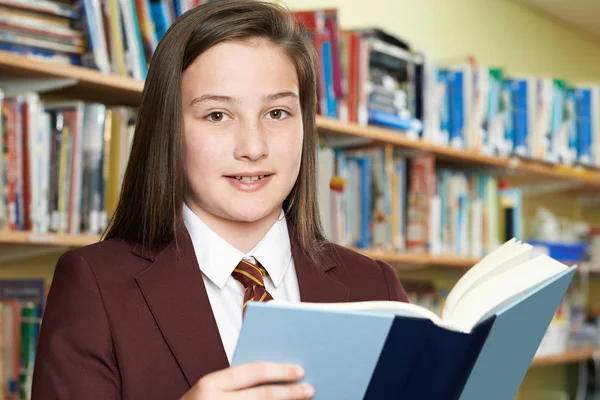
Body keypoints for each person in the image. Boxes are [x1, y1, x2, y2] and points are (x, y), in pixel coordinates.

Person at [31, 1, 408, 399]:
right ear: (169, 129)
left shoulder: (376, 287)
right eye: (217, 115)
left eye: (277, 113)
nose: (253, 147)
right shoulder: (95, 286)